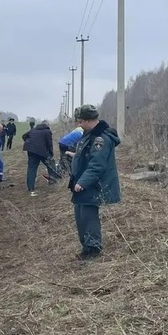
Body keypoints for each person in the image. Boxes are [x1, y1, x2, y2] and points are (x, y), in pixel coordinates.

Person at [67, 104, 121, 260]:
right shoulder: (88, 134)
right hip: (83, 185)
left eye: (81, 121)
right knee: (80, 216)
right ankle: (86, 248)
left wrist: (82, 182)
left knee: (89, 217)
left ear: (90, 120)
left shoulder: (100, 139)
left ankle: (93, 249)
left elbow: (97, 165)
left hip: (93, 185)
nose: (79, 124)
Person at [22, 120, 61, 196]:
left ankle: (30, 188)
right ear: (47, 125)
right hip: (42, 151)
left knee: (32, 168)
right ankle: (53, 181)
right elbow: (49, 144)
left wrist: (29, 142)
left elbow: (24, 136)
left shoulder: (33, 130)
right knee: (51, 164)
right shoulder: (47, 131)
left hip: (31, 150)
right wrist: (51, 154)